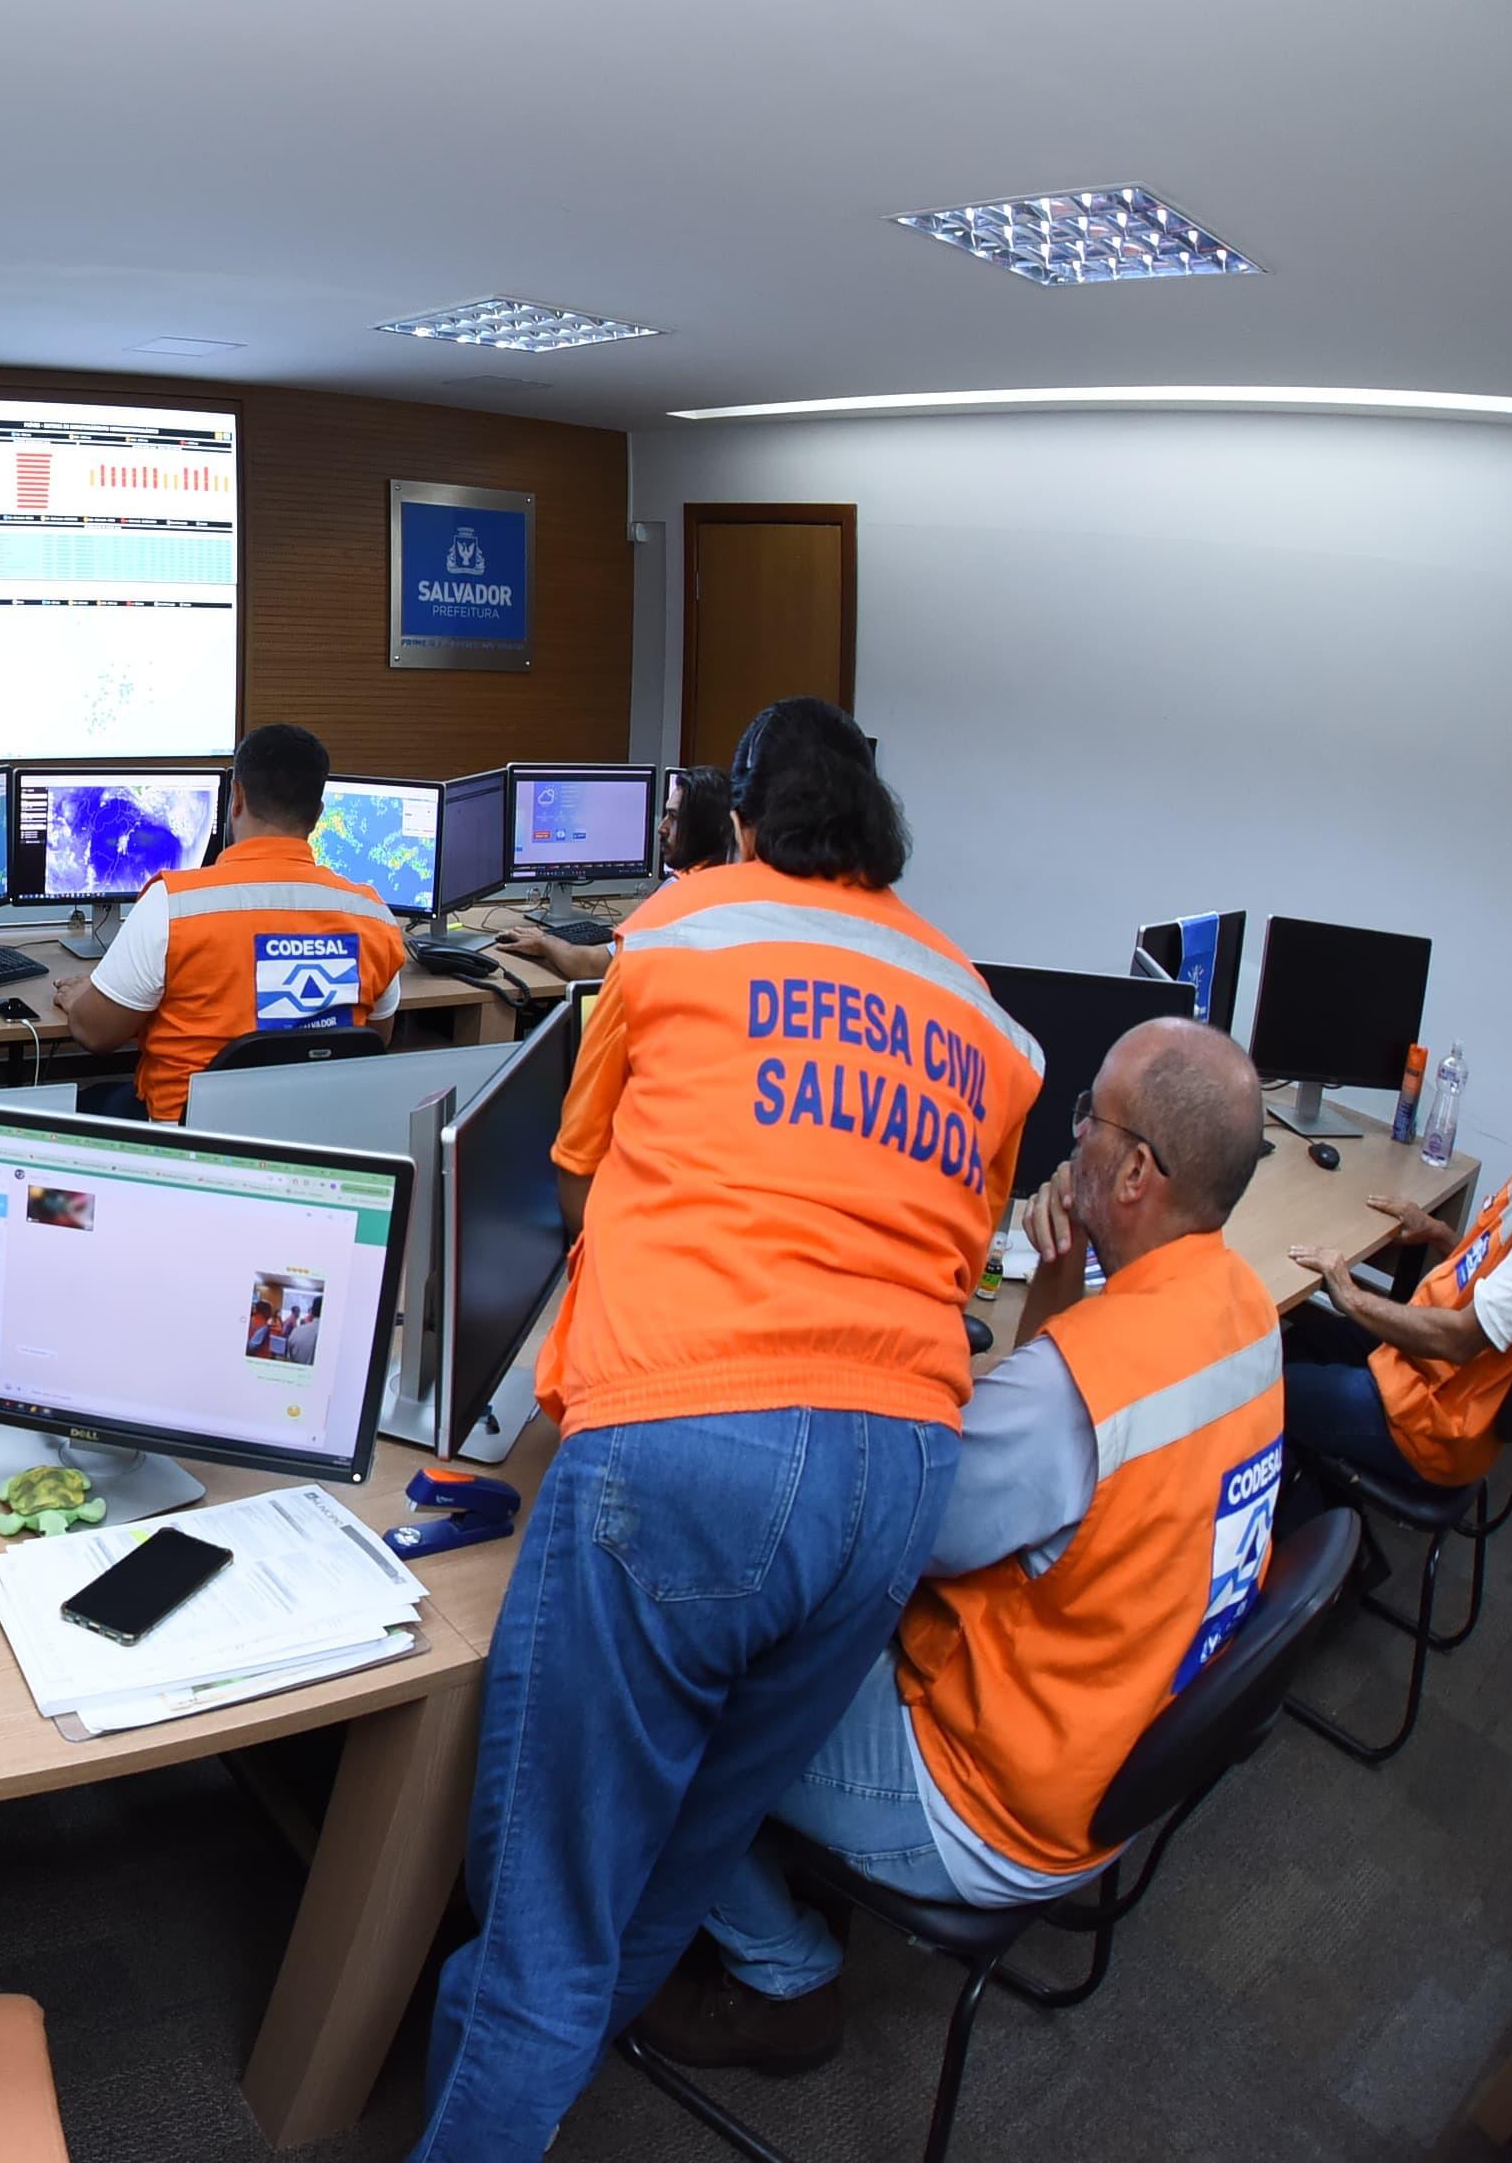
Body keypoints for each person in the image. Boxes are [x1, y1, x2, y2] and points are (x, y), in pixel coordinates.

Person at [412, 697, 1042, 2162]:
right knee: (673, 1865)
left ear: (741, 823)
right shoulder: (990, 1024)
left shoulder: (682, 931)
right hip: (897, 1476)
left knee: (543, 1917)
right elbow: (963, 1264)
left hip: (691, 1441)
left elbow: (577, 1189)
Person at [638, 1019, 1279, 2070]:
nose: (1068, 1137)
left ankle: (781, 1972)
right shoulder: (1240, 1302)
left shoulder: (1073, 1394)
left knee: (661, 1705)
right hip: (1109, 1736)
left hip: (987, 1797)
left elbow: (900, 1536)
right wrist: (1051, 1292)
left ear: (1131, 1171)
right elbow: (1059, 1468)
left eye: (1087, 1118)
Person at [1278, 977, 1512, 1492]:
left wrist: (1351, 1292)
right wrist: (1439, 1232)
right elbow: (1505, 1276)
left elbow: (1463, 1338)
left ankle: (1317, 1541)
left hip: (1435, 1420)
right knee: (1301, 1335)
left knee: (1256, 1393)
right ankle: (1310, 1497)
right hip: (1424, 1369)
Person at [53, 722, 405, 1122]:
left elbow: (96, 1035)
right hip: (311, 1141)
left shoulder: (174, 906)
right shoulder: (373, 915)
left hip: (187, 1149)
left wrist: (84, 997)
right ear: (318, 814)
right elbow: (374, 1040)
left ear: (235, 797)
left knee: (86, 1100)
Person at [504, 765, 736, 981]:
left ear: (702, 828)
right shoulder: (734, 884)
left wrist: (544, 941)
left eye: (674, 818)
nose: (661, 827)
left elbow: (592, 968)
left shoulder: (677, 897)